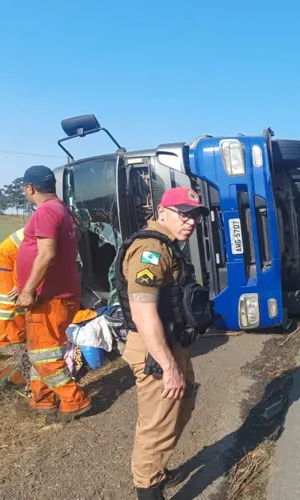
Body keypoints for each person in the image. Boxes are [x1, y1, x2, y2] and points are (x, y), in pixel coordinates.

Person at [115, 187, 213, 500]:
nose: (191, 221)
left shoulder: (168, 247)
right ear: (162, 211)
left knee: (180, 408)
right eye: (183, 213)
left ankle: (155, 469)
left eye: (195, 215)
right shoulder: (150, 250)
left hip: (171, 344)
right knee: (157, 425)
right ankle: (148, 489)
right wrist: (169, 366)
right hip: (155, 352)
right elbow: (144, 315)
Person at [14, 165, 90, 424]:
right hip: (55, 293)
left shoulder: (46, 211)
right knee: (42, 351)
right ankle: (42, 399)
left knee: (42, 354)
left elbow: (47, 254)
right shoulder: (64, 210)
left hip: (50, 297)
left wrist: (28, 289)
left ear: (30, 188)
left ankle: (75, 400)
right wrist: (26, 283)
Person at [0, 228, 30, 387]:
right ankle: (1, 342)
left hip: (13, 259)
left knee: (17, 305)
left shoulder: (50, 222)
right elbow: (27, 257)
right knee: (9, 304)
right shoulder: (46, 227)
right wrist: (21, 284)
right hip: (4, 261)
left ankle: (17, 342)